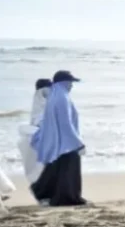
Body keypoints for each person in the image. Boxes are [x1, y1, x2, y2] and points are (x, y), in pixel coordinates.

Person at [30, 70, 86, 206]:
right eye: (70, 82)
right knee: (69, 170)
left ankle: (42, 191)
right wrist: (77, 142)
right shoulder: (61, 97)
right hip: (67, 141)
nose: (71, 85)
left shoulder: (56, 95)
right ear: (64, 82)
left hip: (60, 141)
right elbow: (65, 122)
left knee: (57, 169)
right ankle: (67, 198)